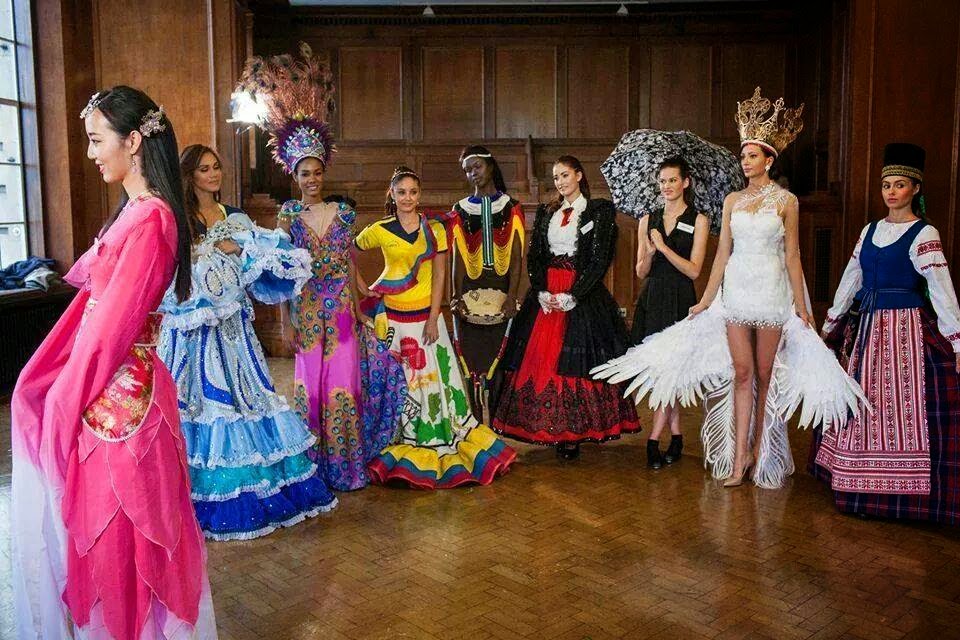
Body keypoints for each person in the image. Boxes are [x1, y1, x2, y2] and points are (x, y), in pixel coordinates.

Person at [11, 86, 217, 639]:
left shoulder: (150, 220)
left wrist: (63, 397)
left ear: (132, 141)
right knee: (108, 537)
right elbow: (95, 318)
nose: (91, 153)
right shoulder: (136, 213)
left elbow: (109, 333)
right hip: (113, 395)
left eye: (96, 140)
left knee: (123, 543)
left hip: (124, 407)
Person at [593, 88, 865, 489]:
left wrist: (802, 307)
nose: (745, 161)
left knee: (766, 374)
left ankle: (760, 451)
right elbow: (722, 254)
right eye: (743, 156)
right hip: (737, 290)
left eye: (751, 155)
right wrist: (706, 300)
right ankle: (738, 459)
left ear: (769, 160)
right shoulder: (732, 200)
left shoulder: (787, 201)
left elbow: (792, 256)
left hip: (771, 291)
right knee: (741, 372)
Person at [236, 42, 407, 492]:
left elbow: (349, 261)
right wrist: (285, 322)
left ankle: (346, 468)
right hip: (307, 308)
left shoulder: (345, 214)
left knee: (344, 383)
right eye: (304, 174)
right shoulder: (288, 216)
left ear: (324, 172)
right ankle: (313, 470)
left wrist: (363, 300)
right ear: (294, 176)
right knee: (311, 386)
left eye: (317, 172)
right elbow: (278, 272)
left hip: (343, 309)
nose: (312, 180)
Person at [158, 144, 337, 540]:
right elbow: (167, 270)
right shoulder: (176, 218)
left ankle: (257, 481)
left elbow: (269, 259)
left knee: (247, 401)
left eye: (216, 167)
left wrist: (239, 248)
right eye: (204, 169)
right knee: (197, 405)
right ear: (189, 176)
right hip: (193, 332)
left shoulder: (234, 216)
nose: (213, 174)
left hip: (234, 332)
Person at [811, 142, 960, 524]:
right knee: (861, 402)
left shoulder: (924, 233)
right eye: (886, 185)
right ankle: (857, 488)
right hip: (866, 328)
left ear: (915, 189)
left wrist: (956, 340)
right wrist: (831, 323)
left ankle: (900, 494)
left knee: (898, 404)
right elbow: (852, 277)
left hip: (903, 331)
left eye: (899, 185)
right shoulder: (870, 230)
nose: (891, 192)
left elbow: (941, 288)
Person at [355, 166, 517, 488]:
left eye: (413, 192)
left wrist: (433, 317)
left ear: (420, 195)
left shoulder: (435, 229)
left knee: (432, 382)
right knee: (399, 382)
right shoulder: (380, 229)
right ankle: (396, 437)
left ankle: (435, 436)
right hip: (393, 319)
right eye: (401, 192)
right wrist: (361, 287)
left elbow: (441, 274)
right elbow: (348, 250)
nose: (407, 198)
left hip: (425, 320)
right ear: (392, 195)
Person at [494, 155, 641, 460]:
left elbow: (600, 259)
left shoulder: (598, 211)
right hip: (548, 291)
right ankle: (545, 428)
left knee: (575, 359)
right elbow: (535, 256)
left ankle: (573, 432)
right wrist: (540, 290)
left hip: (581, 291)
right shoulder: (548, 212)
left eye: (565, 175)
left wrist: (573, 295)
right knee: (540, 358)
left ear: (579, 175)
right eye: (556, 177)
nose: (560, 182)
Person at [632, 158, 709, 469]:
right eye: (662, 181)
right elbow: (640, 271)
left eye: (672, 180)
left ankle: (653, 439)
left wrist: (664, 248)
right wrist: (650, 254)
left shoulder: (698, 220)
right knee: (663, 374)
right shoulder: (646, 220)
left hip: (680, 299)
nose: (666, 186)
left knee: (672, 372)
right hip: (653, 298)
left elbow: (694, 270)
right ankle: (676, 436)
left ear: (685, 182)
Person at [449, 145, 526, 423]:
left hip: (502, 286)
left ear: (491, 166)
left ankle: (495, 422)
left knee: (499, 359)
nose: (473, 173)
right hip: (470, 287)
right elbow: (458, 257)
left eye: (477, 167)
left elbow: (516, 257)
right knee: (470, 359)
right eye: (468, 170)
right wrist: (455, 296)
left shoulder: (511, 207)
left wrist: (512, 296)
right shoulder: (460, 209)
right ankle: (475, 423)